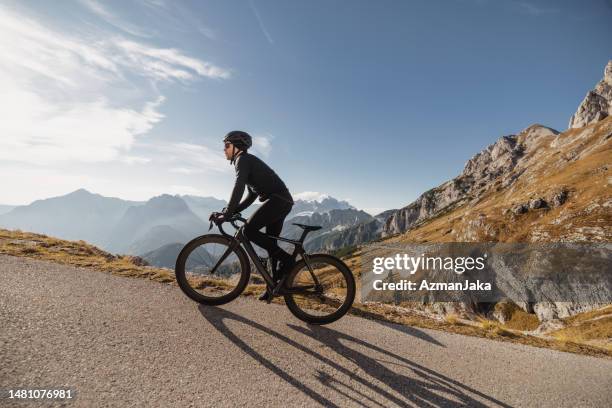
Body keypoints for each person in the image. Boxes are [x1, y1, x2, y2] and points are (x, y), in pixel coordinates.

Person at [212, 130, 295, 301]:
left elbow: (238, 186)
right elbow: (251, 195)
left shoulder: (242, 160)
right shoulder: (247, 161)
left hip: (278, 201)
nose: (224, 149)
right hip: (282, 201)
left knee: (248, 231)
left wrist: (227, 213)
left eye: (227, 145)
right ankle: (273, 287)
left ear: (237, 147)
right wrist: (232, 211)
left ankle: (288, 261)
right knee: (270, 243)